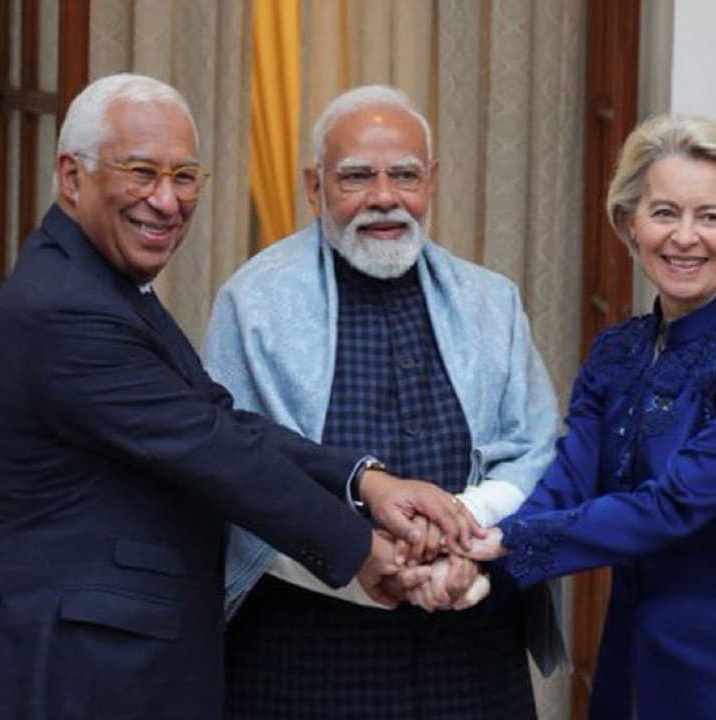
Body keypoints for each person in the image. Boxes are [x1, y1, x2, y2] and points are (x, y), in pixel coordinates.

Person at [0, 73, 477, 720]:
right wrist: (360, 548)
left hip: (106, 665)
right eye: (141, 172)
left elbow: (216, 419)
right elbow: (212, 451)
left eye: (185, 176)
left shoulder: (101, 281)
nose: (166, 200)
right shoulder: (64, 308)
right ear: (72, 177)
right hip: (61, 673)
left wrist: (366, 481)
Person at [202, 85, 566, 718]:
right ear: (313, 186)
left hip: (470, 653)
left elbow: (535, 450)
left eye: (404, 175)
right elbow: (236, 471)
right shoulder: (253, 303)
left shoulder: (491, 301)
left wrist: (462, 534)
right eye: (356, 177)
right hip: (305, 658)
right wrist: (367, 558)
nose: (383, 197)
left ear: (432, 180)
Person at [466, 114, 716, 719]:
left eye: (710, 217)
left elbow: (670, 508)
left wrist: (500, 545)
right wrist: (473, 549)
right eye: (664, 212)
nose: (684, 237)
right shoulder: (618, 353)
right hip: (633, 669)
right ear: (629, 224)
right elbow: (567, 483)